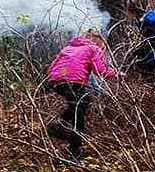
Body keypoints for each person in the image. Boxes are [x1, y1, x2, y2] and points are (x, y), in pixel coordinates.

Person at [46, 28, 119, 160]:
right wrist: (116, 75)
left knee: (80, 104)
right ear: (98, 41)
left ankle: (60, 124)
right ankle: (73, 153)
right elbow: (100, 70)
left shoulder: (68, 48)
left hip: (56, 81)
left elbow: (51, 69)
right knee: (79, 116)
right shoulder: (93, 48)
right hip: (74, 82)